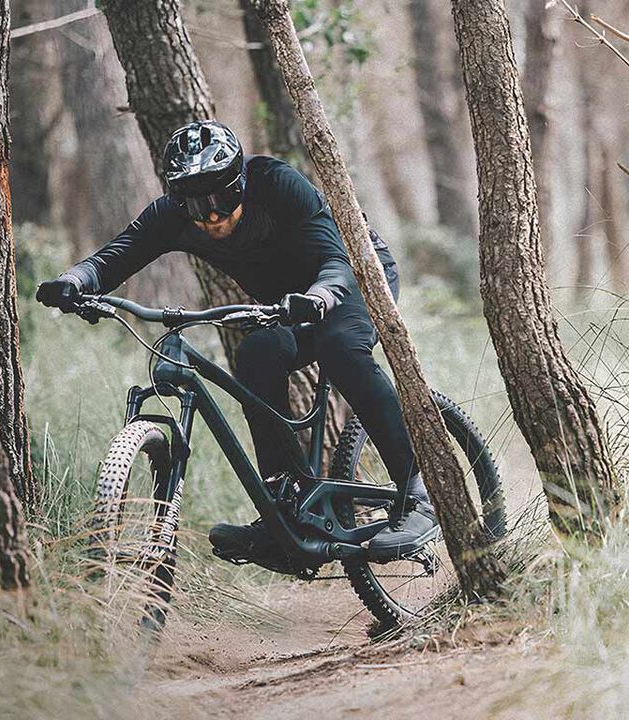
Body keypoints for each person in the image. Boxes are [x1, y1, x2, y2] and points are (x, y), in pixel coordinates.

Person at [36, 120, 438, 567]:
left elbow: (335, 259)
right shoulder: (174, 215)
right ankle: (285, 510)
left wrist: (321, 295)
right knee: (256, 356)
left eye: (223, 200)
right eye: (197, 206)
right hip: (286, 305)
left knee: (339, 346)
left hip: (351, 278)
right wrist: (76, 281)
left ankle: (418, 494)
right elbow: (120, 253)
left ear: (242, 183)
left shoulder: (278, 185)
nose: (212, 216)